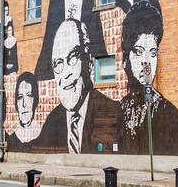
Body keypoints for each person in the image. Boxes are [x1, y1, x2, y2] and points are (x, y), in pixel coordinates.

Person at [31, 19, 120, 154]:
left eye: (72, 57)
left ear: (89, 62)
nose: (65, 73)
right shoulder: (52, 121)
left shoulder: (113, 110)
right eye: (58, 64)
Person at [118, 0, 178, 155]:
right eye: (138, 51)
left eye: (152, 53)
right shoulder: (119, 108)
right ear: (125, 58)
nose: (146, 61)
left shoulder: (167, 112)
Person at [5, 72, 41, 151]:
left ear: (35, 100)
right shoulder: (11, 139)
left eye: (29, 95)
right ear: (16, 103)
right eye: (20, 97)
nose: (24, 104)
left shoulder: (43, 135)